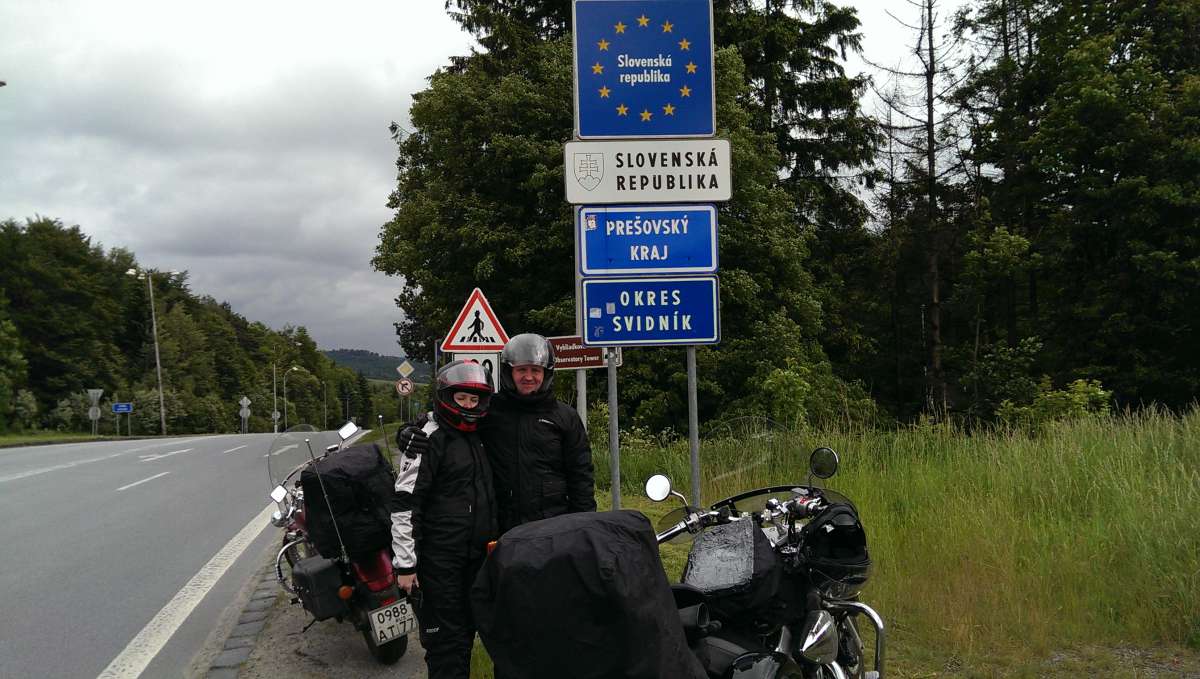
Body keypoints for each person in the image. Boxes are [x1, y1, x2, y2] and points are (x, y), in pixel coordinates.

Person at [398, 333, 596, 532]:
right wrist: (405, 432)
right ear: (509, 372)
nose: (528, 377)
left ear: (546, 373)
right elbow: (443, 420)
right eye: (521, 369)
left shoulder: (565, 417)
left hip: (552, 526)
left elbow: (581, 476)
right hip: (500, 527)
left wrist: (584, 527)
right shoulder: (489, 409)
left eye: (535, 370)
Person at [390, 360, 497, 679]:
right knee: (446, 646)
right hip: (439, 563)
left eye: (474, 399)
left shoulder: (481, 434)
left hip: (478, 558)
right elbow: (404, 502)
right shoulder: (426, 438)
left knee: (469, 633)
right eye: (461, 398)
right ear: (446, 397)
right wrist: (406, 565)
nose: (468, 405)